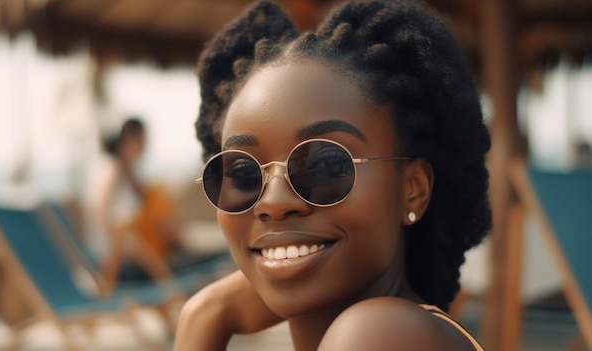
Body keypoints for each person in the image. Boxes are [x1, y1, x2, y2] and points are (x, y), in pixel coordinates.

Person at [174, 0, 491, 350]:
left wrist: (204, 316)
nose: (273, 202)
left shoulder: (377, 333)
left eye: (326, 165)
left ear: (412, 189)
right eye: (244, 172)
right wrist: (208, 312)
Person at [84, 118, 181, 289]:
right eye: (137, 139)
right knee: (157, 265)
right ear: (123, 143)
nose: (141, 145)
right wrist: (119, 239)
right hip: (113, 252)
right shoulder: (113, 167)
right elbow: (99, 207)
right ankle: (173, 292)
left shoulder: (121, 170)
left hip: (118, 247)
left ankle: (171, 290)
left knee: (155, 256)